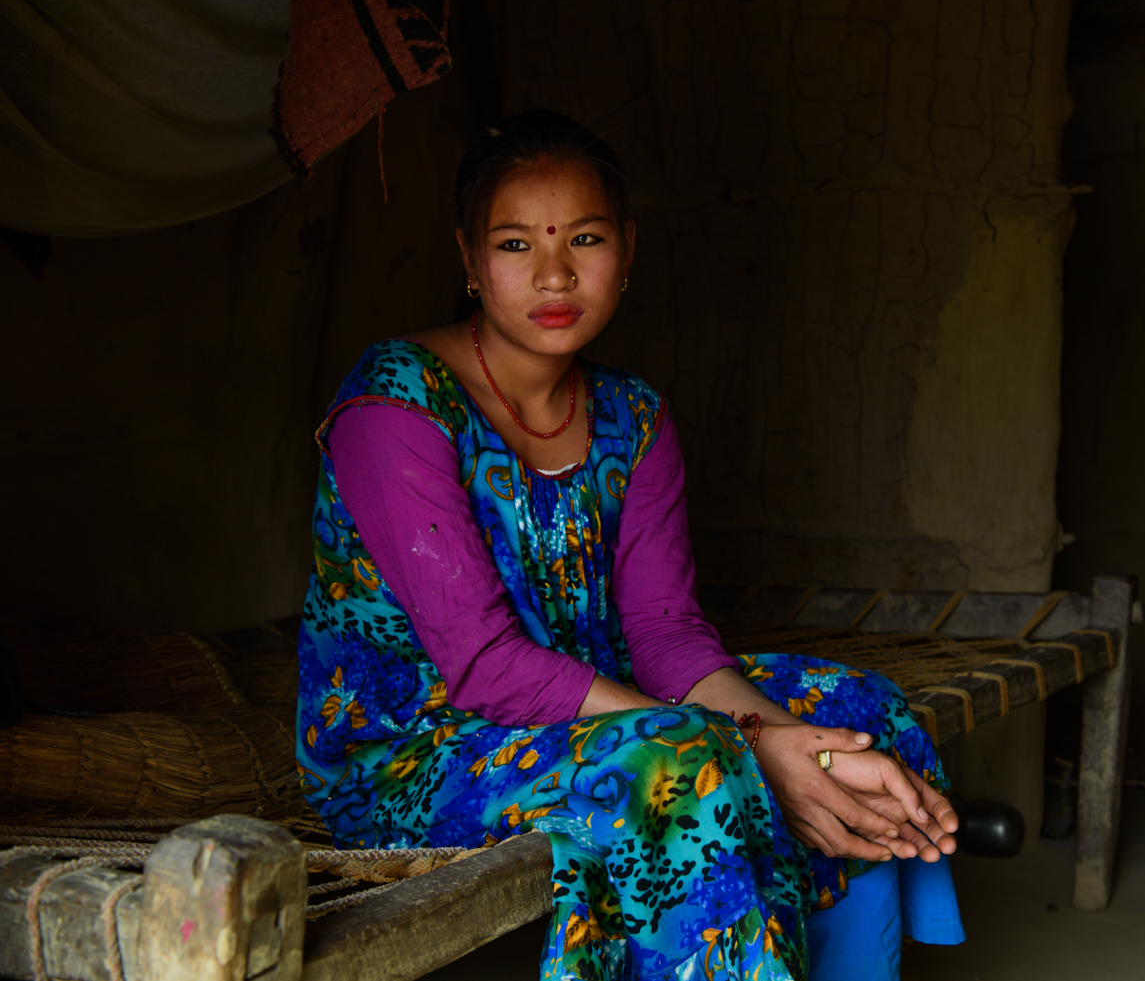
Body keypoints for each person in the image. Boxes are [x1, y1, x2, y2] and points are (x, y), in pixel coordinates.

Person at [296, 110, 964, 981]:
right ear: (466, 258)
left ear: (628, 249)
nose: (553, 272)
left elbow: (666, 634)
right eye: (512, 244)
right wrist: (754, 742)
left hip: (600, 703)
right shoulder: (396, 405)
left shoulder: (633, 416)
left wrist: (799, 739)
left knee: (853, 712)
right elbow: (486, 665)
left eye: (583, 236)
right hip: (420, 750)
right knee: (690, 761)